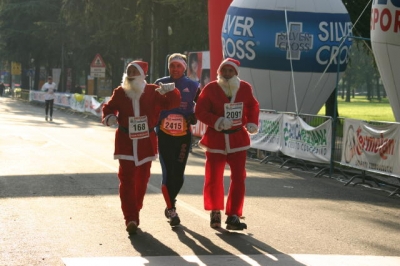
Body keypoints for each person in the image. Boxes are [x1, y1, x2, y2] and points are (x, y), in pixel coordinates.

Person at [102, 60, 181, 235]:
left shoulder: (153, 91)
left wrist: (171, 91)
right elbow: (108, 108)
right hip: (125, 142)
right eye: (128, 70)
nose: (130, 73)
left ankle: (135, 209)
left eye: (134, 70)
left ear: (142, 74)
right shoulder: (120, 92)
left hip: (146, 143)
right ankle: (130, 218)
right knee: (126, 179)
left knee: (142, 180)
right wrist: (110, 117)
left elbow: (172, 103)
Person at [195, 58, 260, 230]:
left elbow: (253, 106)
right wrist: (217, 121)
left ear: (236, 73)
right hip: (216, 140)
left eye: (231, 71)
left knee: (239, 178)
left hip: (238, 140)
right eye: (224, 70)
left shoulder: (245, 88)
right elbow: (200, 111)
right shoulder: (210, 89)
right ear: (219, 72)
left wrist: (252, 122)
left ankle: (233, 215)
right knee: (214, 177)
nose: (227, 74)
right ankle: (215, 211)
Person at [154, 53, 199, 227]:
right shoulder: (160, 83)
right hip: (164, 134)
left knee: (178, 176)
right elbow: (151, 104)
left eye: (178, 66)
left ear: (184, 68)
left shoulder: (193, 86)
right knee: (167, 172)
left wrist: (194, 117)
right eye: (172, 66)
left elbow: (202, 105)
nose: (175, 69)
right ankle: (171, 209)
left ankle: (170, 201)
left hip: (183, 137)